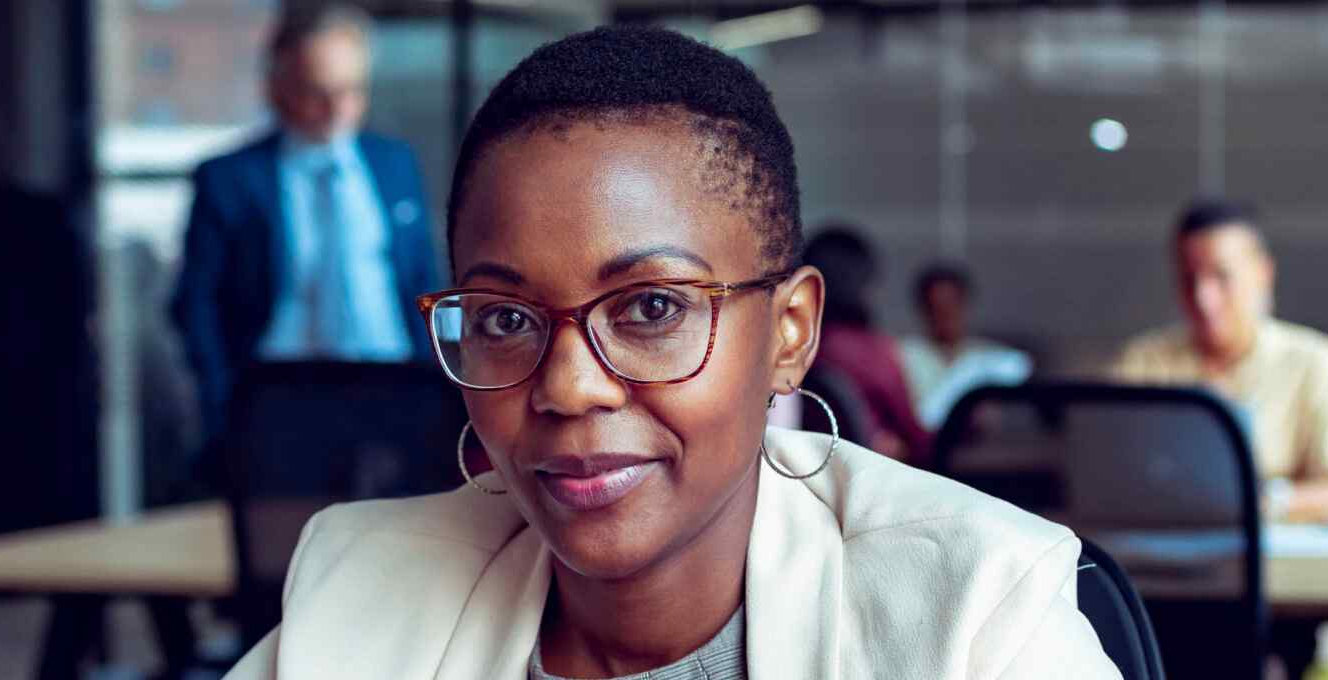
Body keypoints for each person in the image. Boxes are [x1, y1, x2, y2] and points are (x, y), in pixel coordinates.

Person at [222, 26, 1119, 679]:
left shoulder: (975, 621)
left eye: (651, 306)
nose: (568, 388)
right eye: (503, 319)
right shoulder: (359, 594)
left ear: (790, 333)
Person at [171, 2, 441, 442]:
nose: (338, 109)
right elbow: (195, 303)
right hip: (279, 396)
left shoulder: (394, 163)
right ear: (277, 90)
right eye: (319, 92)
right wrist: (222, 401)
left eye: (352, 90)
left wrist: (437, 384)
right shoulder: (230, 179)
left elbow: (419, 280)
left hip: (395, 388)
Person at [1111, 198, 1328, 523]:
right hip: (1160, 555)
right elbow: (1109, 476)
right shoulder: (1141, 361)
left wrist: (1265, 501)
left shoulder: (1315, 360)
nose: (1203, 298)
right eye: (1189, 279)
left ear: (1262, 274)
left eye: (1221, 277)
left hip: (1280, 561)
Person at [797, 228, 933, 462]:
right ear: (862, 283)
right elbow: (916, 436)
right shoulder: (871, 351)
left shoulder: (798, 347)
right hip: (876, 471)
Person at [896, 264, 1033, 430]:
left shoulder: (991, 358)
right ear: (924, 309)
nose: (945, 315)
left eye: (950, 305)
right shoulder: (904, 356)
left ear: (964, 305)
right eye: (937, 307)